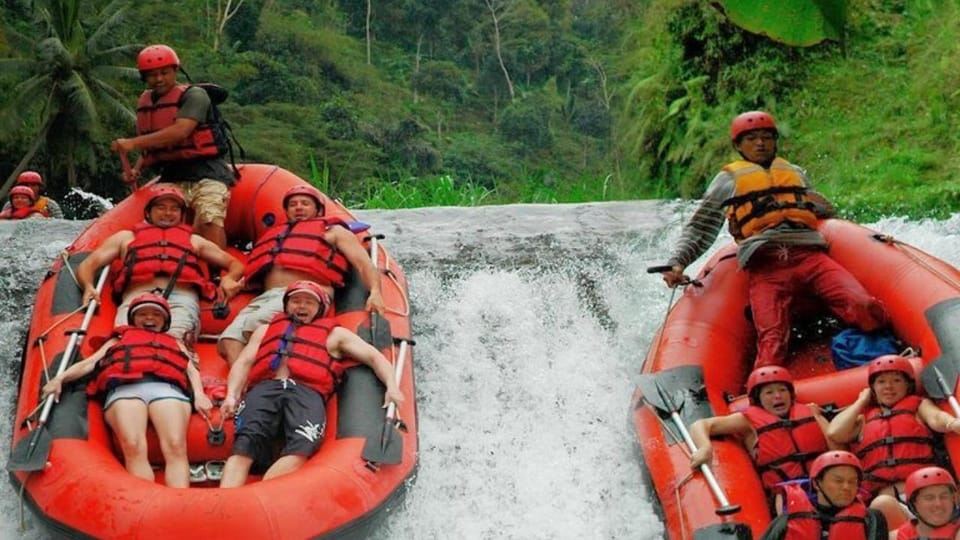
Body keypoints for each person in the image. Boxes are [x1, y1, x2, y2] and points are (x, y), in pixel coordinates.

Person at [659, 111, 888, 369]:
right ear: (738, 146)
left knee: (862, 305)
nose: (760, 144)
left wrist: (866, 236)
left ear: (775, 141)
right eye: (752, 139)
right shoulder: (728, 181)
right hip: (766, 267)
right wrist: (677, 262)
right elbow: (701, 227)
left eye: (766, 137)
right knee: (772, 340)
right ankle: (766, 393)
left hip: (810, 258)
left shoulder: (795, 173)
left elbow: (823, 211)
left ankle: (886, 353)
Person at [218, 281, 403, 487]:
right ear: (286, 305)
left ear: (320, 308)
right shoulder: (265, 331)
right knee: (244, 445)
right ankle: (225, 498)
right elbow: (243, 363)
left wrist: (392, 387)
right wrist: (231, 396)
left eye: (308, 302)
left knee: (302, 447)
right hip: (265, 389)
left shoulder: (335, 335)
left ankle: (259, 495)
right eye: (296, 301)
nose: (301, 307)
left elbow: (374, 357)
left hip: (307, 393)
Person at [41, 293, 213, 487]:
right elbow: (89, 364)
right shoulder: (118, 339)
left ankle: (181, 501)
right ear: (133, 319)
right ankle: (146, 503)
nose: (149, 318)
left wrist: (199, 395)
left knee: (175, 446)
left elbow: (191, 370)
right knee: (133, 446)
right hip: (125, 390)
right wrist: (59, 379)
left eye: (156, 314)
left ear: (164, 320)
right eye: (143, 314)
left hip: (167, 389)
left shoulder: (175, 342)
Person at [217, 185, 385, 365]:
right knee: (229, 340)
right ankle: (246, 385)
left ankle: (265, 379)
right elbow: (259, 269)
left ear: (318, 210)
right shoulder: (275, 235)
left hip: (306, 294)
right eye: (293, 204)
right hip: (268, 296)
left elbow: (363, 263)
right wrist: (236, 284)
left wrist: (376, 292)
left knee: (255, 322)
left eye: (305, 203)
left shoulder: (333, 231)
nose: (298, 207)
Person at [74, 185, 244, 345]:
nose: (168, 213)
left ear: (181, 214)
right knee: (126, 344)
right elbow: (87, 265)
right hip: (137, 297)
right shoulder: (125, 238)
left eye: (174, 209)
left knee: (173, 342)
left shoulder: (195, 241)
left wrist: (230, 278)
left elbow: (233, 263)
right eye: (161, 207)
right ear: (149, 212)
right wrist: (88, 287)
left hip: (180, 300)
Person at [111, 44, 235, 248]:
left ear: (175, 71)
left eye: (164, 73)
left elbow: (180, 131)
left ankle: (218, 271)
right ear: (144, 78)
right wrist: (136, 169)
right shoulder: (146, 100)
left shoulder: (195, 95)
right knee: (161, 224)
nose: (159, 79)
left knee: (208, 218)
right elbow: (152, 142)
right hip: (171, 174)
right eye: (152, 75)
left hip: (207, 172)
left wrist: (131, 143)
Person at [827, 355, 960, 498]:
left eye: (896, 380)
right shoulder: (863, 419)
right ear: (872, 389)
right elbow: (834, 432)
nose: (888, 387)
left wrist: (952, 423)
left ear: (908, 385)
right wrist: (861, 401)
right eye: (881, 382)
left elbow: (936, 418)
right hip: (882, 497)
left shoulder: (918, 406)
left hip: (925, 489)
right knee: (883, 502)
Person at [689, 366, 832, 492]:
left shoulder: (810, 412)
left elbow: (833, 442)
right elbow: (701, 425)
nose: (777, 396)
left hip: (825, 488)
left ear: (790, 394)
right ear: (758, 399)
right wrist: (704, 448)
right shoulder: (747, 421)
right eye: (769, 393)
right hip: (786, 494)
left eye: (782, 390)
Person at [760, 450, 888, 539]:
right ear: (816, 484)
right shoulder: (789, 520)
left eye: (852, 481)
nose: (846, 487)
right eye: (838, 481)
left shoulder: (872, 518)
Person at [886, 467, 960, 539]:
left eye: (944, 497)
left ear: (953, 500)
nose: (938, 504)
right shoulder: (898, 535)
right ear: (913, 503)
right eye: (929, 498)